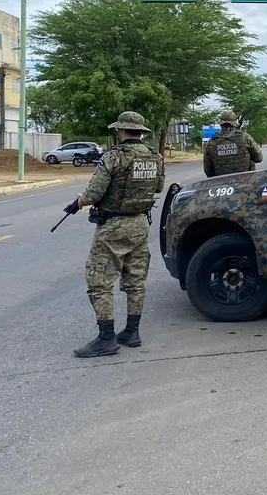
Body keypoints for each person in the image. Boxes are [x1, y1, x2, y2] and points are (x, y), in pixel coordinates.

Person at [70, 111, 165, 358]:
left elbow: (93, 194)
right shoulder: (155, 157)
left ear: (120, 131)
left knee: (99, 281)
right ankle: (132, 332)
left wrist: (79, 201)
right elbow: (159, 187)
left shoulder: (113, 157)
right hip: (140, 225)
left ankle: (106, 338)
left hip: (112, 227)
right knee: (135, 280)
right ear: (141, 132)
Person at [203, 109, 263, 177]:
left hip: (222, 183)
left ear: (221, 124)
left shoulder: (212, 142)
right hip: (245, 181)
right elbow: (259, 158)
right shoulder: (246, 138)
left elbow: (207, 170)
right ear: (234, 123)